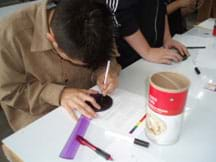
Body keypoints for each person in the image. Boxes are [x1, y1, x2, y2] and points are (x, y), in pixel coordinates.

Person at [0, 0, 121, 131]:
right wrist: (59, 94)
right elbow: (9, 91)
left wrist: (105, 71)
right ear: (52, 40)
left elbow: (107, 55)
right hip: (38, 112)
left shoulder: (96, 20)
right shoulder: (8, 37)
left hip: (92, 102)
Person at [106, 0, 189, 68]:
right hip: (130, 54)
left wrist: (167, 38)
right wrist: (147, 51)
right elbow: (118, 13)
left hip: (155, 49)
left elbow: (161, 5)